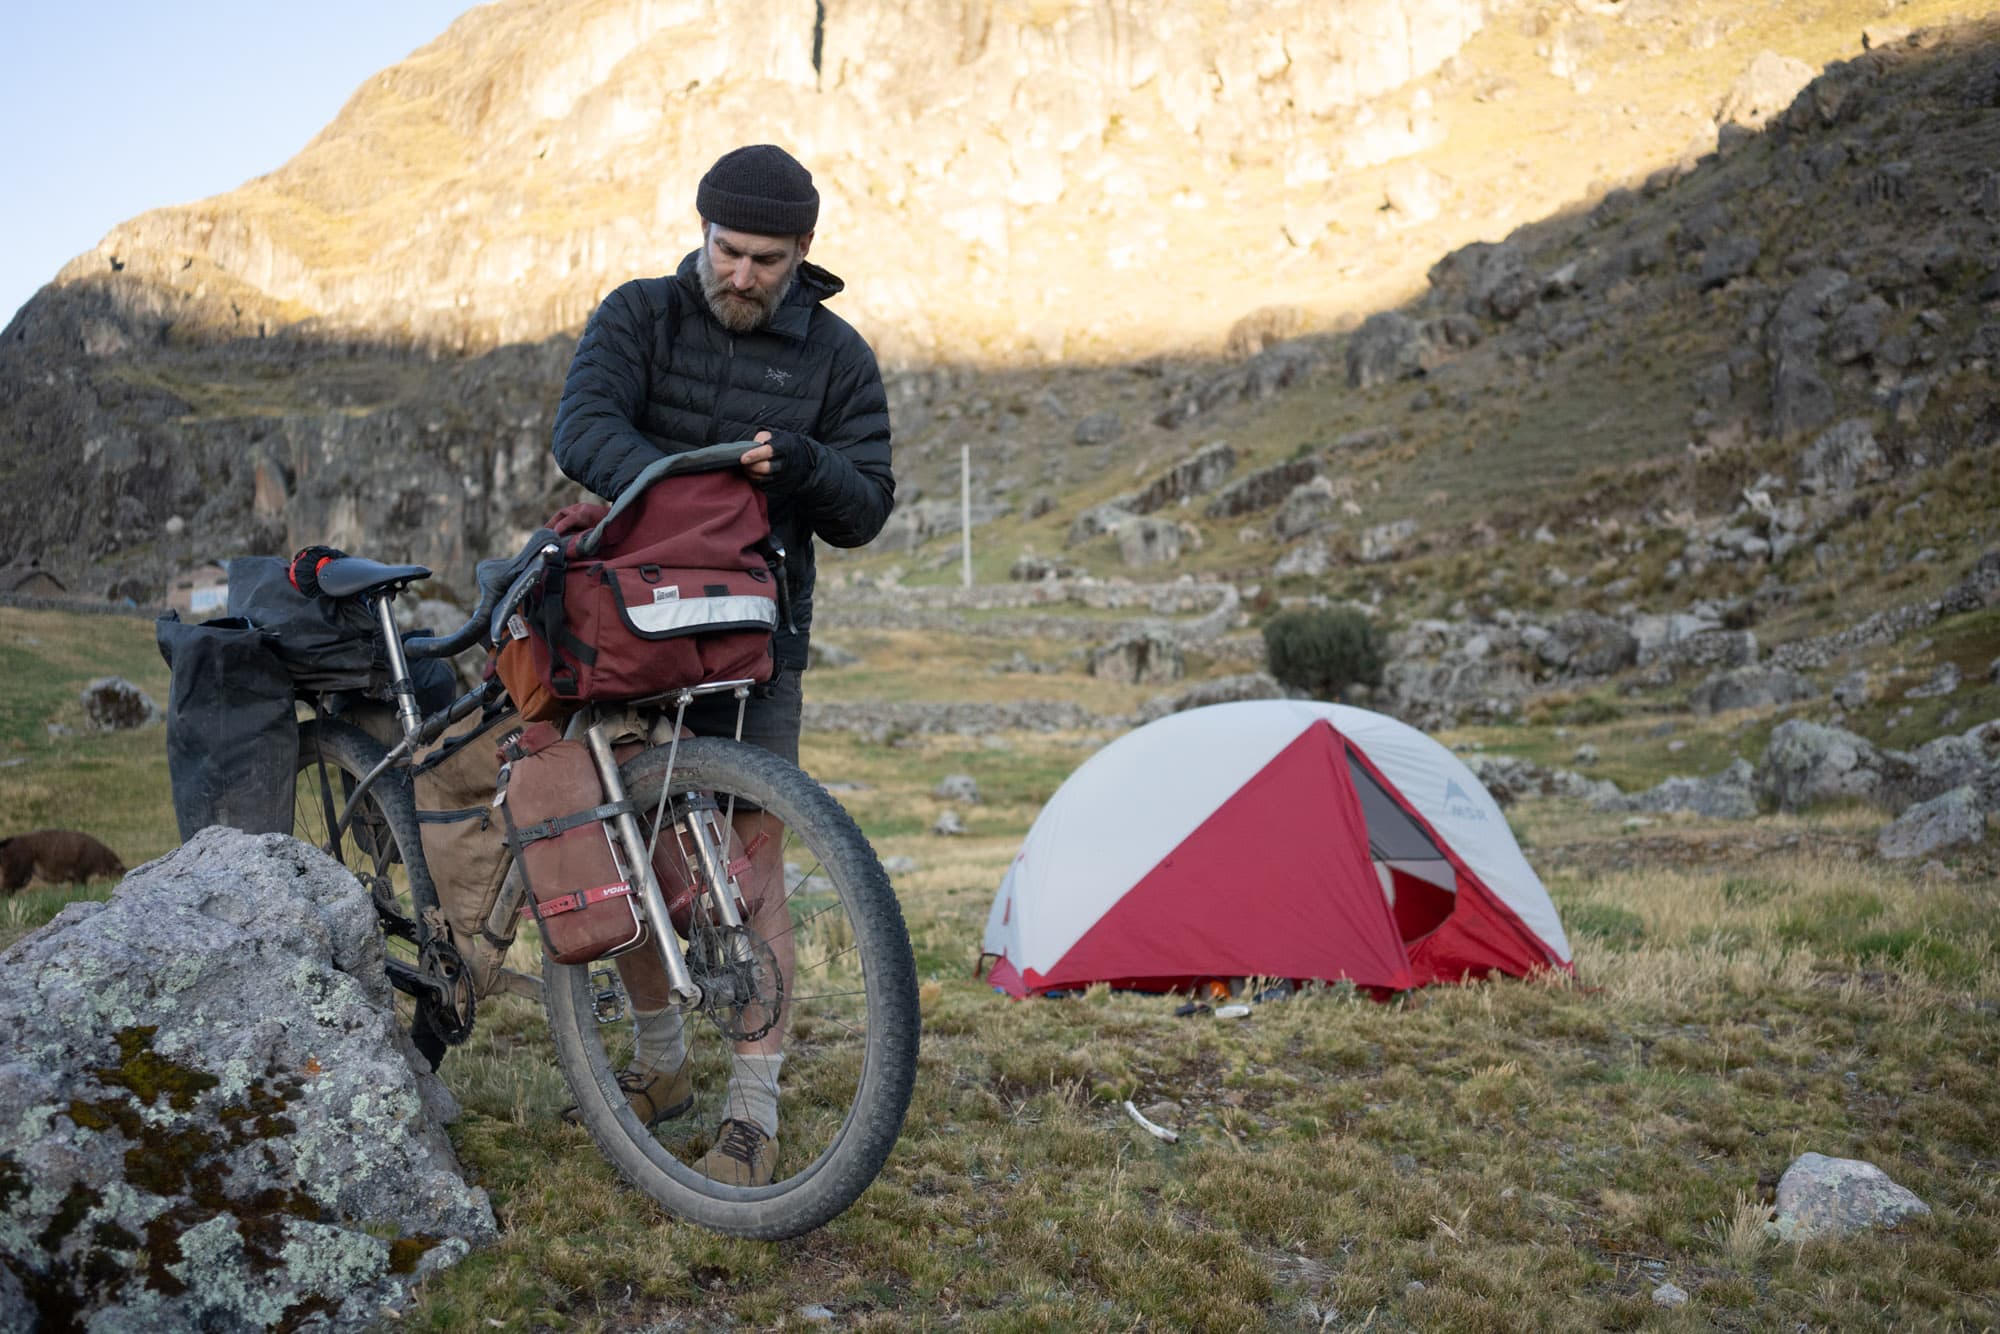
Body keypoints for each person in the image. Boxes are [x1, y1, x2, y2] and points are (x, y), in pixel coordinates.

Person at [549, 143, 895, 1185]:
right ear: (701, 233)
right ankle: (660, 1067)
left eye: (766, 259)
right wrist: (684, 488)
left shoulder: (838, 358)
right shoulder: (638, 315)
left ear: (804, 255)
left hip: (756, 640)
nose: (740, 274)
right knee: (623, 854)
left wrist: (802, 466)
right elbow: (581, 428)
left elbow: (867, 504)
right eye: (726, 250)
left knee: (748, 870)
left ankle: (753, 1110)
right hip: (621, 624)